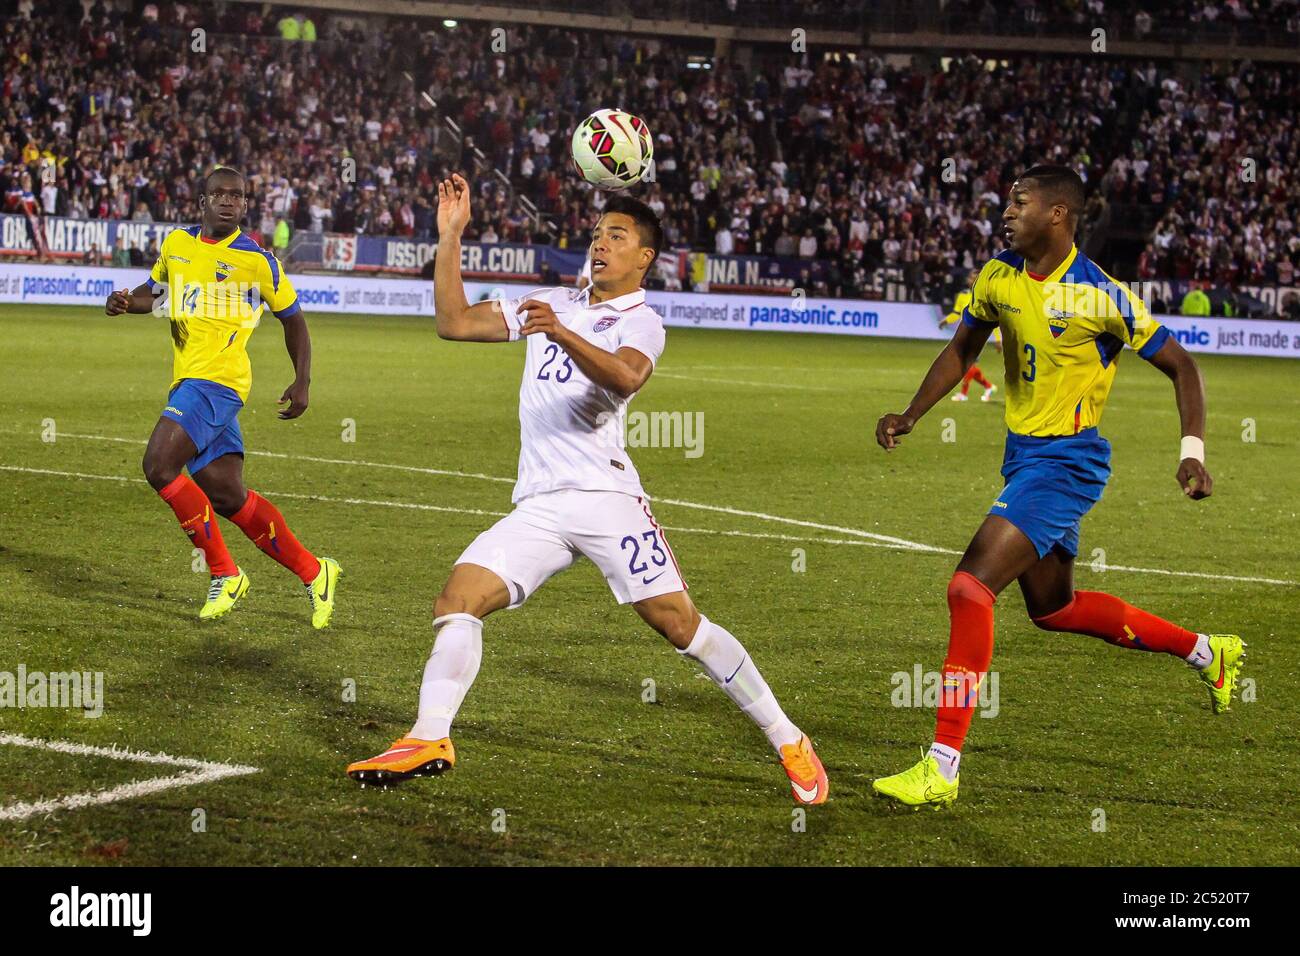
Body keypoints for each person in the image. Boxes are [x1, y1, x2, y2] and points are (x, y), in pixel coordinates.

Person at [348, 174, 829, 806]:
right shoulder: (554, 300)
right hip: (541, 506)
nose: (600, 244)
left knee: (680, 625)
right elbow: (454, 323)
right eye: (598, 233)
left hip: (608, 502)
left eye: (617, 236)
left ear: (644, 258)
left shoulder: (642, 320)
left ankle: (789, 738)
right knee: (458, 597)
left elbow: (627, 377)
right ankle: (430, 735)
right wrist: (451, 236)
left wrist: (560, 333)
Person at [872, 165, 1243, 808]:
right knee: (1055, 610)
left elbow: (1182, 366)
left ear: (1059, 214)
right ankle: (1208, 652)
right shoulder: (998, 275)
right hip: (1023, 459)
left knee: (969, 586)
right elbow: (963, 349)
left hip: (1068, 463)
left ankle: (942, 766)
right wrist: (911, 412)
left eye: (1020, 203)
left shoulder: (1101, 295)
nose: (1005, 212)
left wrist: (1192, 452)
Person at [103, 166, 341, 626]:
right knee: (228, 496)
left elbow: (293, 319)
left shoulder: (257, 260)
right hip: (188, 379)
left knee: (158, 465)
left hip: (220, 382)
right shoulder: (177, 244)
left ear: (245, 206)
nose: (230, 201)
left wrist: (303, 380)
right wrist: (122, 302)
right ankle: (316, 572)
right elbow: (155, 294)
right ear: (202, 201)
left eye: (238, 196)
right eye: (220, 194)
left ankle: (225, 573)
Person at [940, 268, 1001, 402]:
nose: (970, 280)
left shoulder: (986, 295)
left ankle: (964, 394)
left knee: (967, 365)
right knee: (968, 365)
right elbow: (956, 314)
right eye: (970, 277)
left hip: (977, 336)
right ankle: (988, 386)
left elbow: (993, 319)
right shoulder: (962, 295)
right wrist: (946, 320)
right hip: (963, 334)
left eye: (974, 277)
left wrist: (998, 339)